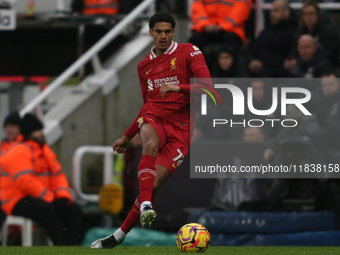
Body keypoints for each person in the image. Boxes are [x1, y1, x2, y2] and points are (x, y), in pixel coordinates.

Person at [91, 11, 211, 249]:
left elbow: (208, 87)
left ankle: (118, 236)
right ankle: (146, 206)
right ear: (151, 33)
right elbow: (147, 105)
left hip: (181, 128)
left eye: (168, 31)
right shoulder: (144, 66)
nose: (163, 36)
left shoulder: (189, 51)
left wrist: (178, 88)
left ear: (174, 32)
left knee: (153, 185)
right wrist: (127, 136)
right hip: (155, 118)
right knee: (150, 145)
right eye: (158, 32)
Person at [0, 114, 83, 245]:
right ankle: (61, 245)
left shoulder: (44, 150)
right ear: (29, 133)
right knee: (45, 210)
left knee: (73, 209)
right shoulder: (19, 151)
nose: (41, 134)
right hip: (15, 199)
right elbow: (25, 181)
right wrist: (50, 199)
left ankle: (70, 245)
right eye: (38, 131)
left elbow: (58, 176)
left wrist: (63, 197)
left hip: (38, 197)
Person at [248, 0, 298, 77]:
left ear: (286, 12)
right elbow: (253, 51)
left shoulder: (294, 32)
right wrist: (252, 61)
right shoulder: (265, 32)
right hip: (260, 72)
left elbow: (288, 57)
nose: (271, 14)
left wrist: (263, 64)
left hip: (279, 74)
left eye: (276, 11)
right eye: (271, 11)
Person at [287, 0, 339, 66]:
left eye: (311, 13)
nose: (308, 17)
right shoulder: (300, 32)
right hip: (304, 66)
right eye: (305, 14)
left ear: (318, 15)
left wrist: (304, 62)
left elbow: (328, 54)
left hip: (325, 67)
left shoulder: (328, 31)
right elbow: (294, 50)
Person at [0, 112, 23, 229]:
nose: (10, 129)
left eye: (13, 126)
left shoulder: (26, 146)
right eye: (7, 126)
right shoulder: (1, 146)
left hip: (18, 195)